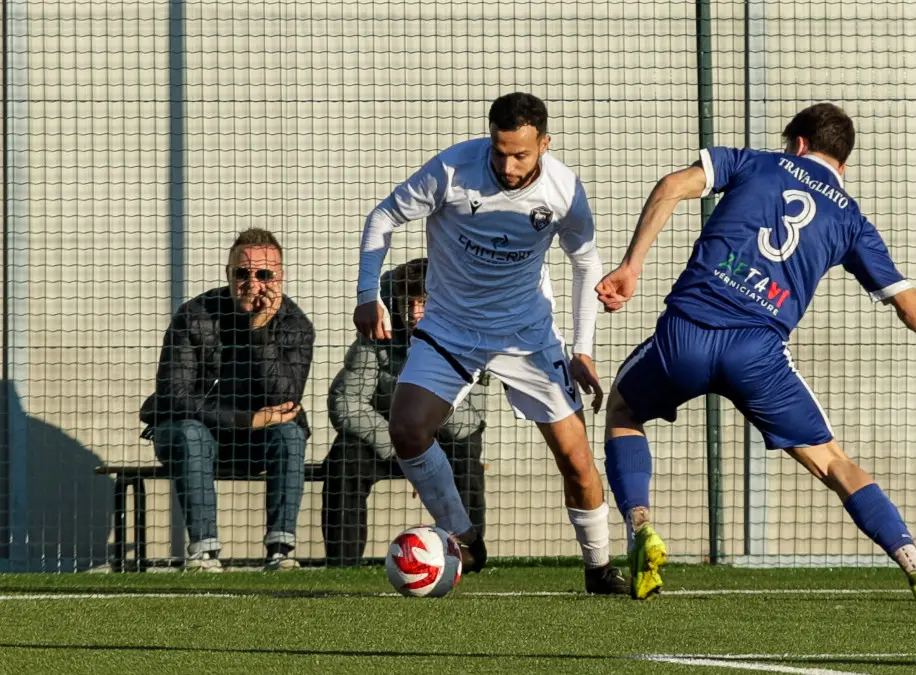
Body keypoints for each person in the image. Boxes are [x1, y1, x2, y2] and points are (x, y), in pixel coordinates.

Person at [596, 103, 916, 601]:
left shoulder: (752, 162)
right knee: (832, 462)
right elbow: (911, 305)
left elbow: (672, 184)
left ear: (797, 143)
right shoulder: (851, 220)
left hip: (686, 335)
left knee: (624, 410)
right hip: (756, 355)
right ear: (842, 162)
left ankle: (641, 524)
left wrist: (631, 266)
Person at [354, 92, 628, 594]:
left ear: (543, 144)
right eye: (500, 151)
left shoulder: (565, 190)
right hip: (450, 330)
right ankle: (464, 538)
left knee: (576, 459)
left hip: (526, 335)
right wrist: (367, 295)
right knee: (407, 429)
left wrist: (582, 350)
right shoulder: (453, 170)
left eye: (520, 154)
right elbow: (383, 217)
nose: (507, 164)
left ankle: (599, 569)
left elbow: (585, 261)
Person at [140, 228, 315, 572]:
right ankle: (204, 552)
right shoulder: (195, 316)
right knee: (191, 433)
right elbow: (174, 396)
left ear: (280, 278)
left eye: (264, 274)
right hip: (190, 435)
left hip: (254, 442)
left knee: (290, 434)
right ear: (228, 275)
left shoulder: (296, 325)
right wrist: (245, 420)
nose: (253, 283)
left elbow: (286, 399)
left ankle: (281, 551)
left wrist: (260, 333)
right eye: (243, 273)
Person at [323, 258, 487, 566]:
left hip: (446, 441)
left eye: (424, 303)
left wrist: (424, 439)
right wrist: (402, 443)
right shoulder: (378, 334)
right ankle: (342, 565)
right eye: (407, 303)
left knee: (467, 456)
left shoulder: (469, 337)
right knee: (344, 457)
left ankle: (468, 556)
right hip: (388, 441)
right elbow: (346, 401)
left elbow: (470, 419)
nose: (413, 314)